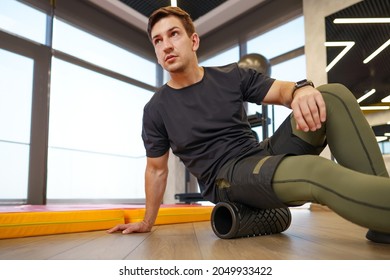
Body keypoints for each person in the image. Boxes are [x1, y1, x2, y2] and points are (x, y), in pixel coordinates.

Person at [108, 6, 390, 243]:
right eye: (157, 41)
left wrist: (301, 89)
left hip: (261, 153)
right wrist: (147, 221)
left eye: (173, 34)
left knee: (332, 94)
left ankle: (381, 222)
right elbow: (156, 170)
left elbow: (282, 91)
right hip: (226, 177)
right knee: (315, 170)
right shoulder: (156, 109)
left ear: (193, 41)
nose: (166, 45)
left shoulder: (231, 76)